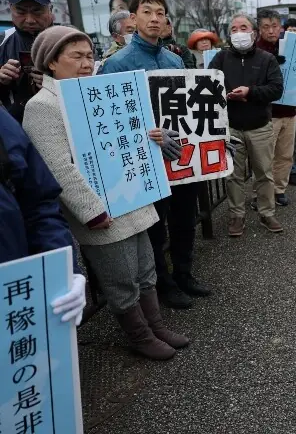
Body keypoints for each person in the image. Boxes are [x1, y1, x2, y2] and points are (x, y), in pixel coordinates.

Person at [23, 26, 188, 360]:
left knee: (144, 267)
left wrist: (150, 135)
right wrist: (90, 210)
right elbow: (57, 167)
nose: (86, 63)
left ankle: (154, 324)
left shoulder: (95, 91)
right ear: (51, 63)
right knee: (119, 276)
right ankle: (138, 335)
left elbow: (125, 135)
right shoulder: (42, 105)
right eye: (76, 56)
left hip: (129, 194)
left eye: (89, 55)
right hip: (100, 207)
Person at [99, 0, 210, 309]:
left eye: (161, 13)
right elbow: (112, 118)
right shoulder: (117, 64)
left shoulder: (174, 59)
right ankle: (163, 283)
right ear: (132, 18)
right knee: (154, 224)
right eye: (147, 12)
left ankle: (185, 274)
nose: (155, 18)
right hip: (146, 160)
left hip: (180, 156)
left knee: (184, 219)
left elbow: (189, 111)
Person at [0, 105, 87, 327]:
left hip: (14, 298)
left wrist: (64, 272)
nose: (86, 66)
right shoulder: (40, 106)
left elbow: (39, 204)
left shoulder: (4, 124)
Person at [209, 13, 284, 237]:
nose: (239, 32)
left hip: (260, 126)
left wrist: (250, 93)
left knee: (264, 173)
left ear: (253, 32)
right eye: (234, 29)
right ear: (229, 34)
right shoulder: (221, 58)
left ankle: (266, 213)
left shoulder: (266, 59)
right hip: (231, 127)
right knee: (234, 175)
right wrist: (226, 94)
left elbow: (276, 89)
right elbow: (207, 85)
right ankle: (236, 216)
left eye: (243, 27)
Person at [258, 16, 296, 207]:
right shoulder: (254, 51)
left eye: (274, 26)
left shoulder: (291, 46)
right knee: (265, 157)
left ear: (280, 27)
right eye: (266, 27)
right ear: (259, 30)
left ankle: (279, 189)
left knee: (285, 154)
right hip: (267, 114)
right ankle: (261, 193)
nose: (271, 31)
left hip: (289, 110)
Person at [0, 0, 54, 123]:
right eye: (21, 11)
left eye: (37, 11)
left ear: (51, 9)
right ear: (11, 9)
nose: (30, 20)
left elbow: (89, 85)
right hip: (15, 131)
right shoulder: (2, 41)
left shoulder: (73, 40)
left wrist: (57, 83)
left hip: (62, 126)